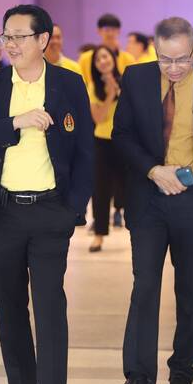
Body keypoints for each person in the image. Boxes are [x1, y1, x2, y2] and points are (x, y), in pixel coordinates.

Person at [0, 4, 93, 384]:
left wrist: (74, 206)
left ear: (43, 40)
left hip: (51, 211)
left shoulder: (69, 84)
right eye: (6, 36)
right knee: (10, 304)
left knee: (50, 303)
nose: (10, 44)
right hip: (2, 212)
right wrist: (14, 123)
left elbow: (86, 151)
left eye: (20, 36)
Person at [110, 17, 193, 384]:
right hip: (149, 196)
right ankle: (138, 377)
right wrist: (153, 170)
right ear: (155, 51)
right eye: (166, 60)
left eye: (182, 59)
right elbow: (121, 135)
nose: (175, 68)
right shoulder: (136, 78)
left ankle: (182, 375)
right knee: (145, 286)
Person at [86, 46, 125, 252]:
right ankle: (99, 234)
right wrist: (110, 94)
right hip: (102, 142)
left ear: (113, 59)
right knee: (100, 190)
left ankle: (136, 230)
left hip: (125, 142)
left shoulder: (127, 80)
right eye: (98, 58)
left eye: (105, 56)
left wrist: (117, 88)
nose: (102, 60)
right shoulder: (93, 87)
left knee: (129, 187)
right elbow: (98, 118)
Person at [78, 13, 136, 83]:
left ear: (119, 31)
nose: (110, 33)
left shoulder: (128, 59)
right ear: (99, 31)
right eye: (107, 30)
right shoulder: (85, 58)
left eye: (113, 29)